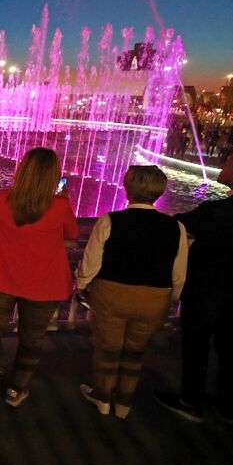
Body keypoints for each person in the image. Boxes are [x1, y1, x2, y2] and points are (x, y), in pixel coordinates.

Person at [75, 165, 188, 419]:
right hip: (153, 299)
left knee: (109, 349)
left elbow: (91, 262)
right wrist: (172, 298)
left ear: (128, 189)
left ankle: (103, 397)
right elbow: (179, 272)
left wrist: (81, 285)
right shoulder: (175, 227)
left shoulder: (110, 220)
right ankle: (124, 403)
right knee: (135, 351)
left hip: (112, 295)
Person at [0, 147, 78, 407]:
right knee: (32, 337)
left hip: (3, 274)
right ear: (52, 176)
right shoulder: (60, 206)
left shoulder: (3, 198)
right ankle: (17, 388)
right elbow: (72, 234)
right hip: (44, 283)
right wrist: (64, 200)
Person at [155, 152, 233, 424]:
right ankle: (226, 405)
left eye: (228, 162)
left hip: (205, 291)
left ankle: (190, 401)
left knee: (196, 345)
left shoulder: (215, 211)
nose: (222, 165)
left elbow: (175, 225)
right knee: (232, 347)